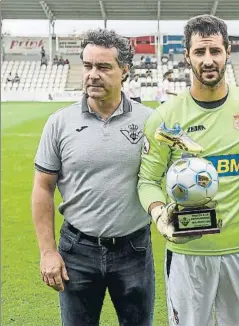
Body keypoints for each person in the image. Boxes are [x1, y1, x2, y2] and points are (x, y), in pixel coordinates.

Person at [138, 14, 239, 326]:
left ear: (227, 51)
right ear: (187, 56)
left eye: (215, 51)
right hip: (188, 252)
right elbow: (147, 180)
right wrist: (160, 216)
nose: (208, 60)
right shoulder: (165, 118)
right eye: (199, 52)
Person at [31, 28, 155, 326]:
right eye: (87, 66)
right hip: (77, 251)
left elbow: (161, 180)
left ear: (124, 71)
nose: (93, 75)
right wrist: (47, 251)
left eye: (103, 67)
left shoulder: (149, 121)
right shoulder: (59, 123)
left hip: (134, 250)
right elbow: (42, 187)